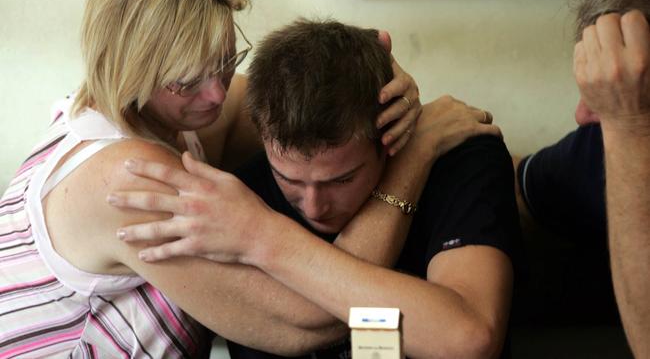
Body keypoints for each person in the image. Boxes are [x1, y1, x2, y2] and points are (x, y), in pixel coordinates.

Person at [0, 0, 496, 357]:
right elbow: (312, 317)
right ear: (131, 69)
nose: (217, 95)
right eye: (187, 80)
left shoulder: (171, 114)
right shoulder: (126, 178)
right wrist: (413, 155)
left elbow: (316, 101)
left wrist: (390, 90)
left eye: (225, 62)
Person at [111, 20, 518, 358]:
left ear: (391, 140)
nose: (314, 205)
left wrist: (264, 237)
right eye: (289, 179)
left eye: (341, 179)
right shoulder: (240, 199)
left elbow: (468, 339)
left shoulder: (462, 159)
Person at [514, 0, 650, 356]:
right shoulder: (598, 148)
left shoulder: (627, 129)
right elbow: (516, 184)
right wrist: (423, 144)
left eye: (621, 85)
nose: (582, 113)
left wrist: (629, 123)